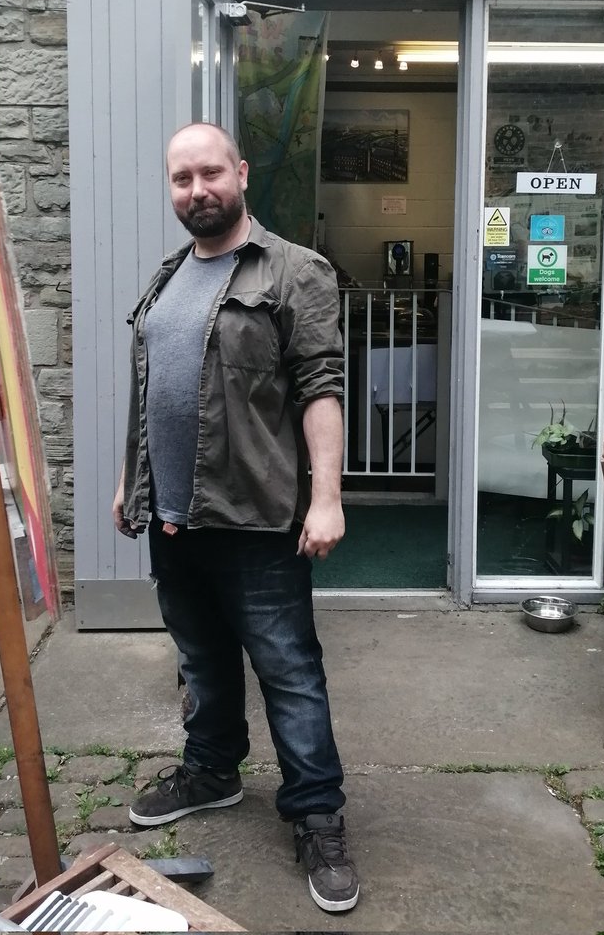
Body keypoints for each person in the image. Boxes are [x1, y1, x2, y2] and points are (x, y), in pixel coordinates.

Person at [112, 121, 359, 914]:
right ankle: (213, 770)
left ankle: (318, 814)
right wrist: (130, 482)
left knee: (289, 672)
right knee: (201, 658)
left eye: (210, 173)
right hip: (175, 517)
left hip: (257, 520)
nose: (197, 191)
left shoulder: (294, 272)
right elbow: (152, 395)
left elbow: (321, 387)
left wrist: (327, 497)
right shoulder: (165, 279)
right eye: (181, 179)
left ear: (241, 173)